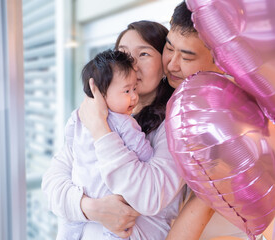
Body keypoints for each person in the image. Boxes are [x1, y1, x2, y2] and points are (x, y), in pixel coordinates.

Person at [42, 20, 188, 240]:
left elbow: (150, 194)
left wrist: (101, 130)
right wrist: (90, 208)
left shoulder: (175, 125)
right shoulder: (91, 113)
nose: (132, 65)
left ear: (164, 65)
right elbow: (52, 184)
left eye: (144, 54)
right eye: (123, 54)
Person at [163, 1, 252, 240]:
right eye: (169, 48)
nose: (172, 64)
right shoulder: (160, 92)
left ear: (221, 59)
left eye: (187, 56)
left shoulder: (232, 116)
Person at [57, 49, 154, 240]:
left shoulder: (79, 115)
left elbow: (69, 138)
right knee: (115, 233)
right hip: (106, 196)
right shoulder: (126, 123)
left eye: (135, 89)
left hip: (81, 190)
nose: (134, 97)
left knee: (68, 228)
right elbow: (145, 154)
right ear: (100, 93)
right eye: (127, 91)